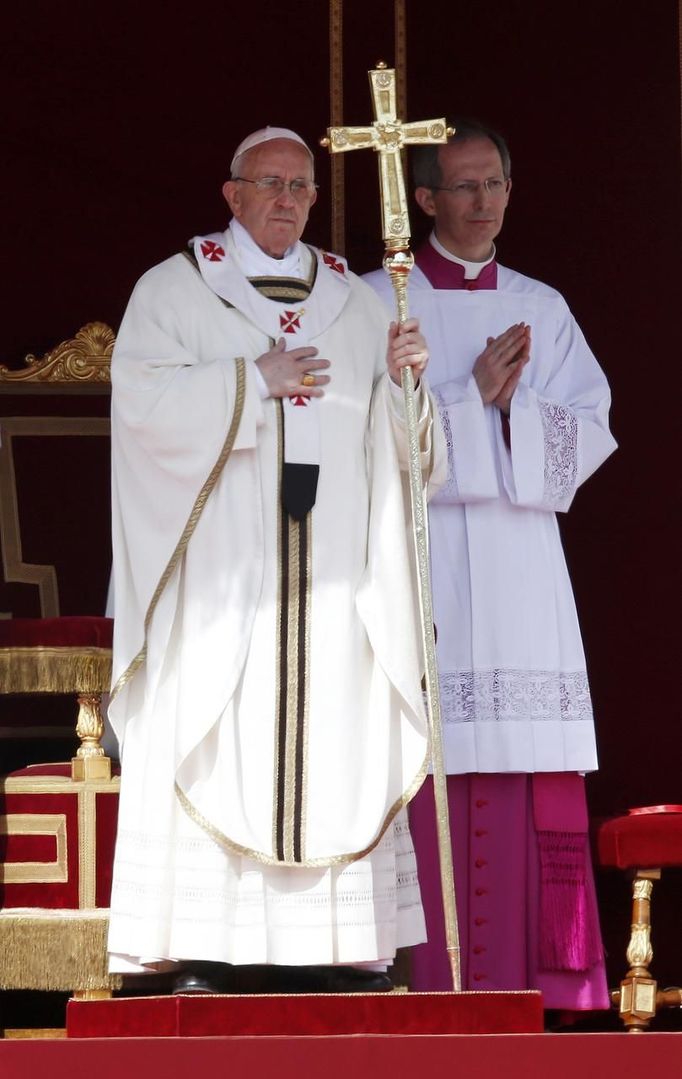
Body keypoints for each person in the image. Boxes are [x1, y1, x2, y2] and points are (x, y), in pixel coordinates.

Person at [106, 126, 444, 994]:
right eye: (269, 183)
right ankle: (203, 947)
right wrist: (250, 379)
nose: (287, 199)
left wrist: (407, 384)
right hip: (225, 579)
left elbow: (409, 462)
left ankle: (333, 950)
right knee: (221, 735)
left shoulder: (357, 300)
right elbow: (140, 406)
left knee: (334, 738)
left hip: (332, 584)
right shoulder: (176, 289)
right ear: (232, 195)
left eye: (300, 186)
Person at [364, 118, 617, 1014]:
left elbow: (593, 428)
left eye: (495, 185)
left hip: (519, 578)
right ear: (425, 197)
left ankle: (536, 983)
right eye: (464, 188)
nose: (483, 204)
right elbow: (366, 438)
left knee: (519, 760)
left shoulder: (543, 308)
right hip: (416, 567)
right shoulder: (374, 304)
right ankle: (410, 982)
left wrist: (511, 414)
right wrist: (471, 395)